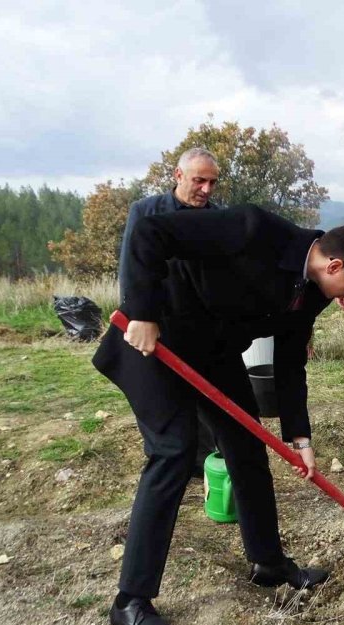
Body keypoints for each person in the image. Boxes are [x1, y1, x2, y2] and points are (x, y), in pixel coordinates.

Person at [93, 208, 344, 625]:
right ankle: (130, 601)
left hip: (213, 353)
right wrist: (142, 311)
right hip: (157, 339)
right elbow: (149, 229)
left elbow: (290, 360)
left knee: (247, 445)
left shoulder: (313, 291)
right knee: (174, 451)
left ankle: (268, 563)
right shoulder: (254, 231)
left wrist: (300, 437)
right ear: (335, 266)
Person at [119, 146, 221, 475]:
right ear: (178, 176)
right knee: (160, 397)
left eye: (213, 182)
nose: (206, 190)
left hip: (197, 323)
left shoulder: (217, 217)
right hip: (154, 321)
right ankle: (165, 458)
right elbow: (130, 268)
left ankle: (202, 463)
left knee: (201, 396)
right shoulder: (146, 211)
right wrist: (137, 316)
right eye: (199, 180)